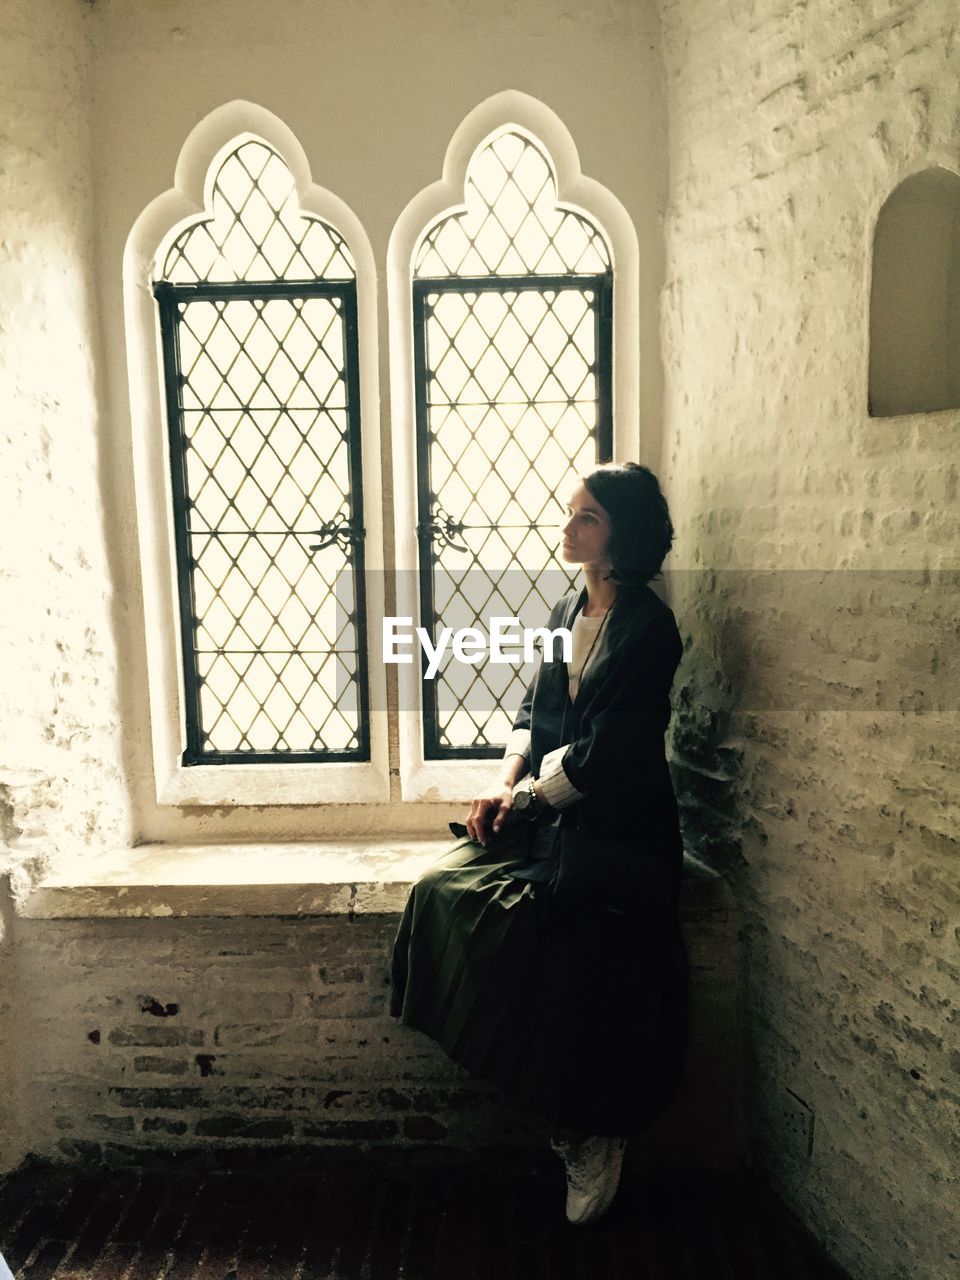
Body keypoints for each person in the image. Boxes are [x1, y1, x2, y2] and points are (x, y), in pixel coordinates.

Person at [390, 462, 688, 1225]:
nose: (567, 529)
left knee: (562, 948)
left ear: (621, 532)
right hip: (554, 813)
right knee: (439, 890)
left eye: (586, 518)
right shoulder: (566, 606)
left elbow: (607, 757)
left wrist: (524, 800)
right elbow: (532, 707)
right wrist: (505, 781)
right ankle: (559, 1108)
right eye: (571, 514)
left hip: (623, 831)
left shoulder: (650, 629)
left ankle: (589, 1129)